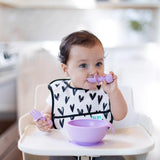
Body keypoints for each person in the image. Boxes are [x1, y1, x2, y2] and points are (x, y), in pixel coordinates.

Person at [36, 30, 127, 160]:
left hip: (101, 146)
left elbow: (120, 115)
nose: (93, 71)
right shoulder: (59, 92)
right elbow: (48, 114)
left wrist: (113, 92)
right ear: (66, 69)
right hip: (66, 147)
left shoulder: (106, 91)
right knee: (57, 157)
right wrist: (45, 121)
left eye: (98, 64)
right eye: (83, 65)